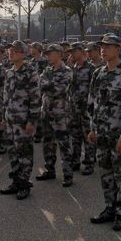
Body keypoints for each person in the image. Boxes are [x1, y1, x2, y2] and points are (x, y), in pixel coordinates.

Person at [87, 35, 121, 232]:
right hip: (101, 133)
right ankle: (109, 208)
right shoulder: (98, 73)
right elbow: (92, 104)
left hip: (118, 134)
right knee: (106, 173)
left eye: (108, 46)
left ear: (118, 49)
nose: (103, 49)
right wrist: (92, 129)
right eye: (102, 46)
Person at [0, 40, 41, 200]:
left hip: (23, 121)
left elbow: (35, 98)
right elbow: (6, 96)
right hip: (10, 120)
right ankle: (16, 181)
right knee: (12, 153)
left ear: (23, 54)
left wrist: (32, 121)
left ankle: (24, 184)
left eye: (15, 51)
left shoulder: (30, 72)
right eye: (10, 50)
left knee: (24, 153)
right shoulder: (9, 72)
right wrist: (4, 116)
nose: (11, 53)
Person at [36, 44, 74, 187]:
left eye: (50, 53)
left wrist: (48, 85)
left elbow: (60, 89)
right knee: (48, 143)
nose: (48, 56)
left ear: (59, 54)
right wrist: (50, 85)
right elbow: (40, 85)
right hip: (46, 112)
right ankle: (49, 170)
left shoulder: (67, 71)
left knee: (64, 144)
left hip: (60, 114)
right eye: (46, 54)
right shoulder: (47, 70)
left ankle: (68, 174)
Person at [68, 42, 96, 175]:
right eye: (71, 52)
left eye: (74, 51)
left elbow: (95, 90)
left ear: (81, 52)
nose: (72, 54)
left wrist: (91, 108)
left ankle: (89, 163)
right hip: (74, 109)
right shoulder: (72, 68)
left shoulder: (91, 69)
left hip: (86, 110)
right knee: (75, 137)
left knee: (88, 137)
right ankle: (75, 161)